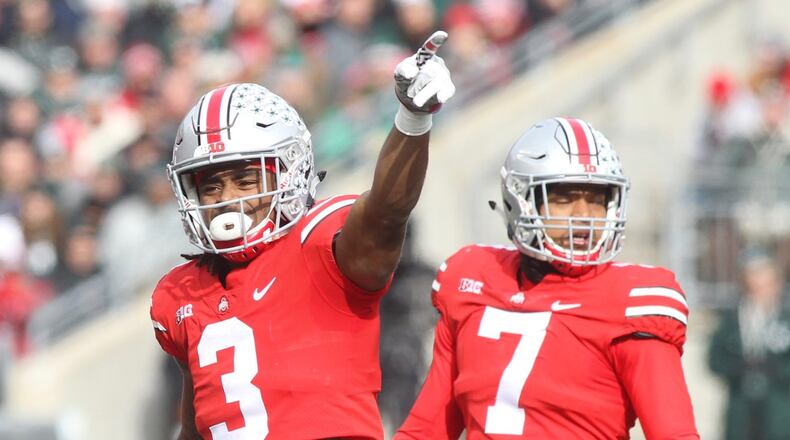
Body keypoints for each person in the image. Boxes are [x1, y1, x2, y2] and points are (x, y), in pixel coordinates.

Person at [149, 31, 455, 439]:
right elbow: (197, 424)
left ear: (290, 171)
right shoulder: (180, 294)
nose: (227, 199)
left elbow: (387, 210)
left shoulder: (323, 246)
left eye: (245, 179)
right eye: (210, 186)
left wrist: (412, 121)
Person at [395, 118, 700, 439]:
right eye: (565, 198)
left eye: (597, 199)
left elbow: (674, 435)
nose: (585, 215)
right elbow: (426, 428)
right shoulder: (472, 279)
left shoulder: (632, 302)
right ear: (522, 201)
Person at [708, 252, 790, 440]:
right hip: (742, 412)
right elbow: (715, 360)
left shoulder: (786, 317)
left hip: (779, 412)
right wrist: (739, 368)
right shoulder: (732, 319)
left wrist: (776, 369)